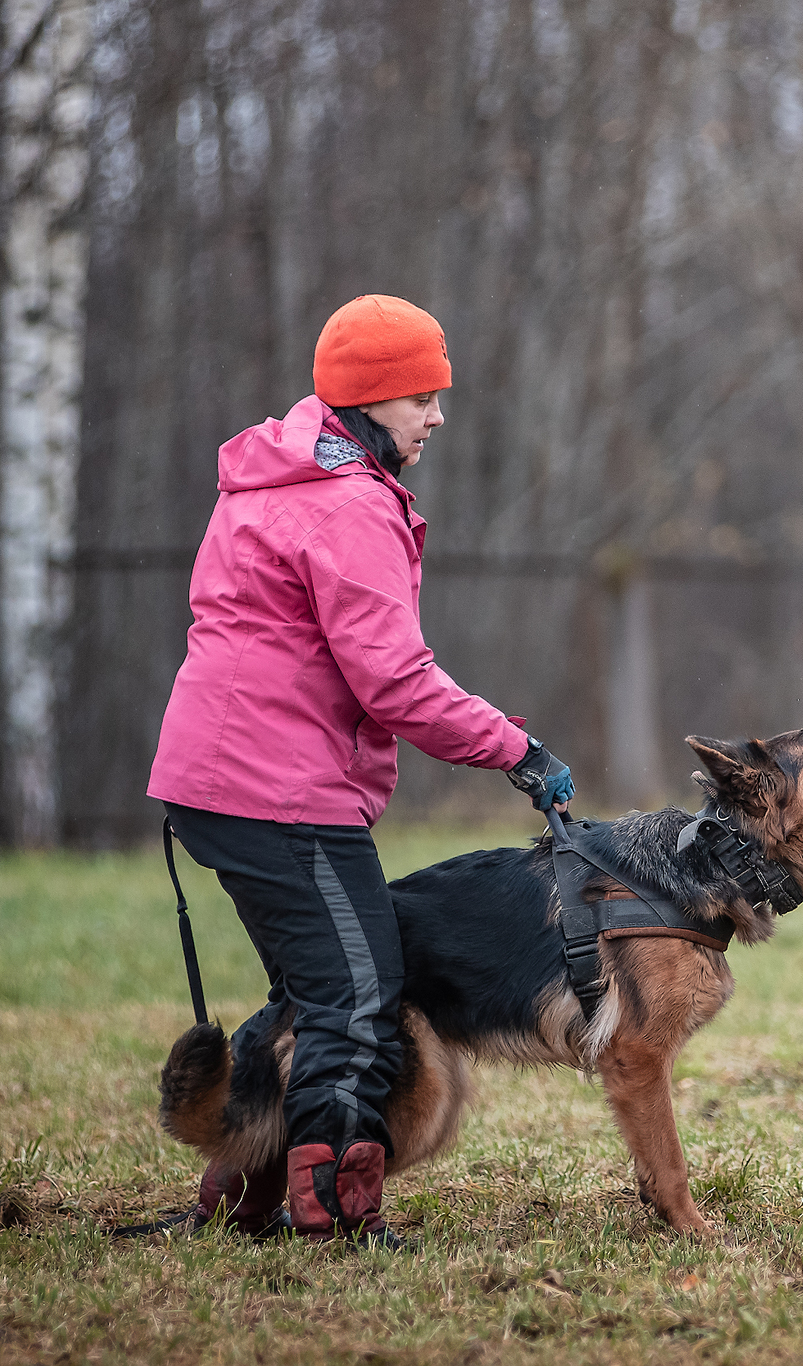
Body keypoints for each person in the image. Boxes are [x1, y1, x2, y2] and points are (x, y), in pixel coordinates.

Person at [147, 294, 575, 1248]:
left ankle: (248, 1196)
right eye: (423, 395)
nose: (435, 416)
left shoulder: (283, 476)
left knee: (319, 987)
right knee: (355, 997)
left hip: (224, 778)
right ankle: (333, 1215)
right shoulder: (346, 505)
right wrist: (518, 749)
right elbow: (396, 683)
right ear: (375, 399)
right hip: (277, 792)